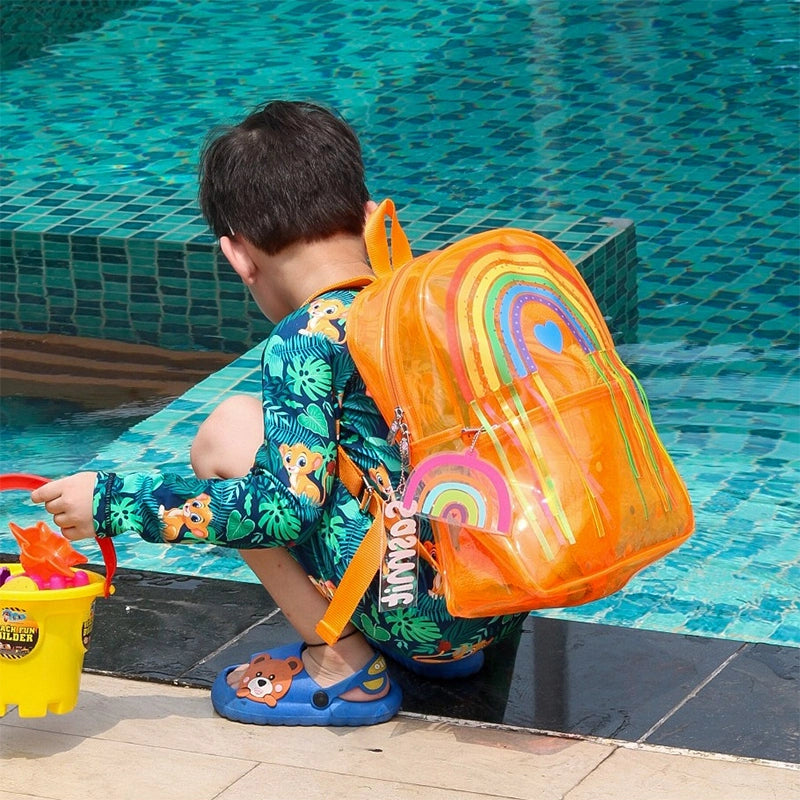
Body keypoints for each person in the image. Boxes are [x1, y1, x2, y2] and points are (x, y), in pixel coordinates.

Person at [31, 100, 526, 727]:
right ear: (373, 217)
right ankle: (436, 652)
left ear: (238, 256)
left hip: (421, 611)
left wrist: (113, 502)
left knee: (226, 433)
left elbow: (284, 508)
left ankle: (343, 666)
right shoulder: (422, 303)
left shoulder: (305, 337)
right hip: (500, 594)